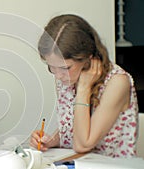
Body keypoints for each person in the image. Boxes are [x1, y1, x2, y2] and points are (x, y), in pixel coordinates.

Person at [30, 14, 138, 158]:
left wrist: (83, 89)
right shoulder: (65, 79)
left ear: (87, 57)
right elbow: (75, 128)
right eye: (52, 68)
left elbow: (83, 144)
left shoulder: (117, 82)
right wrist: (52, 140)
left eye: (65, 68)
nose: (58, 76)